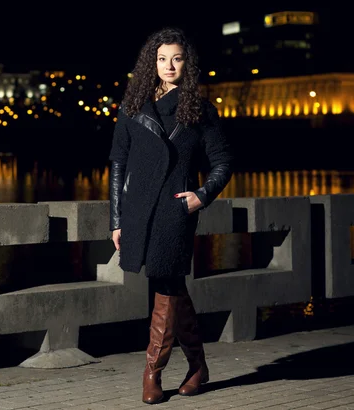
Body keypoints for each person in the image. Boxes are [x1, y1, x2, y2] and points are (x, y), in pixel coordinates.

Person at [108, 27, 235, 404]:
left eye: (176, 58)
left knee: (164, 286)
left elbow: (223, 161)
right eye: (161, 59)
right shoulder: (133, 105)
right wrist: (116, 219)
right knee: (173, 286)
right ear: (151, 63)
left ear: (186, 64)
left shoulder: (199, 109)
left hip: (176, 209)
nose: (169, 65)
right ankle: (198, 366)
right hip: (138, 211)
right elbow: (118, 163)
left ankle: (153, 372)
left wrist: (201, 195)